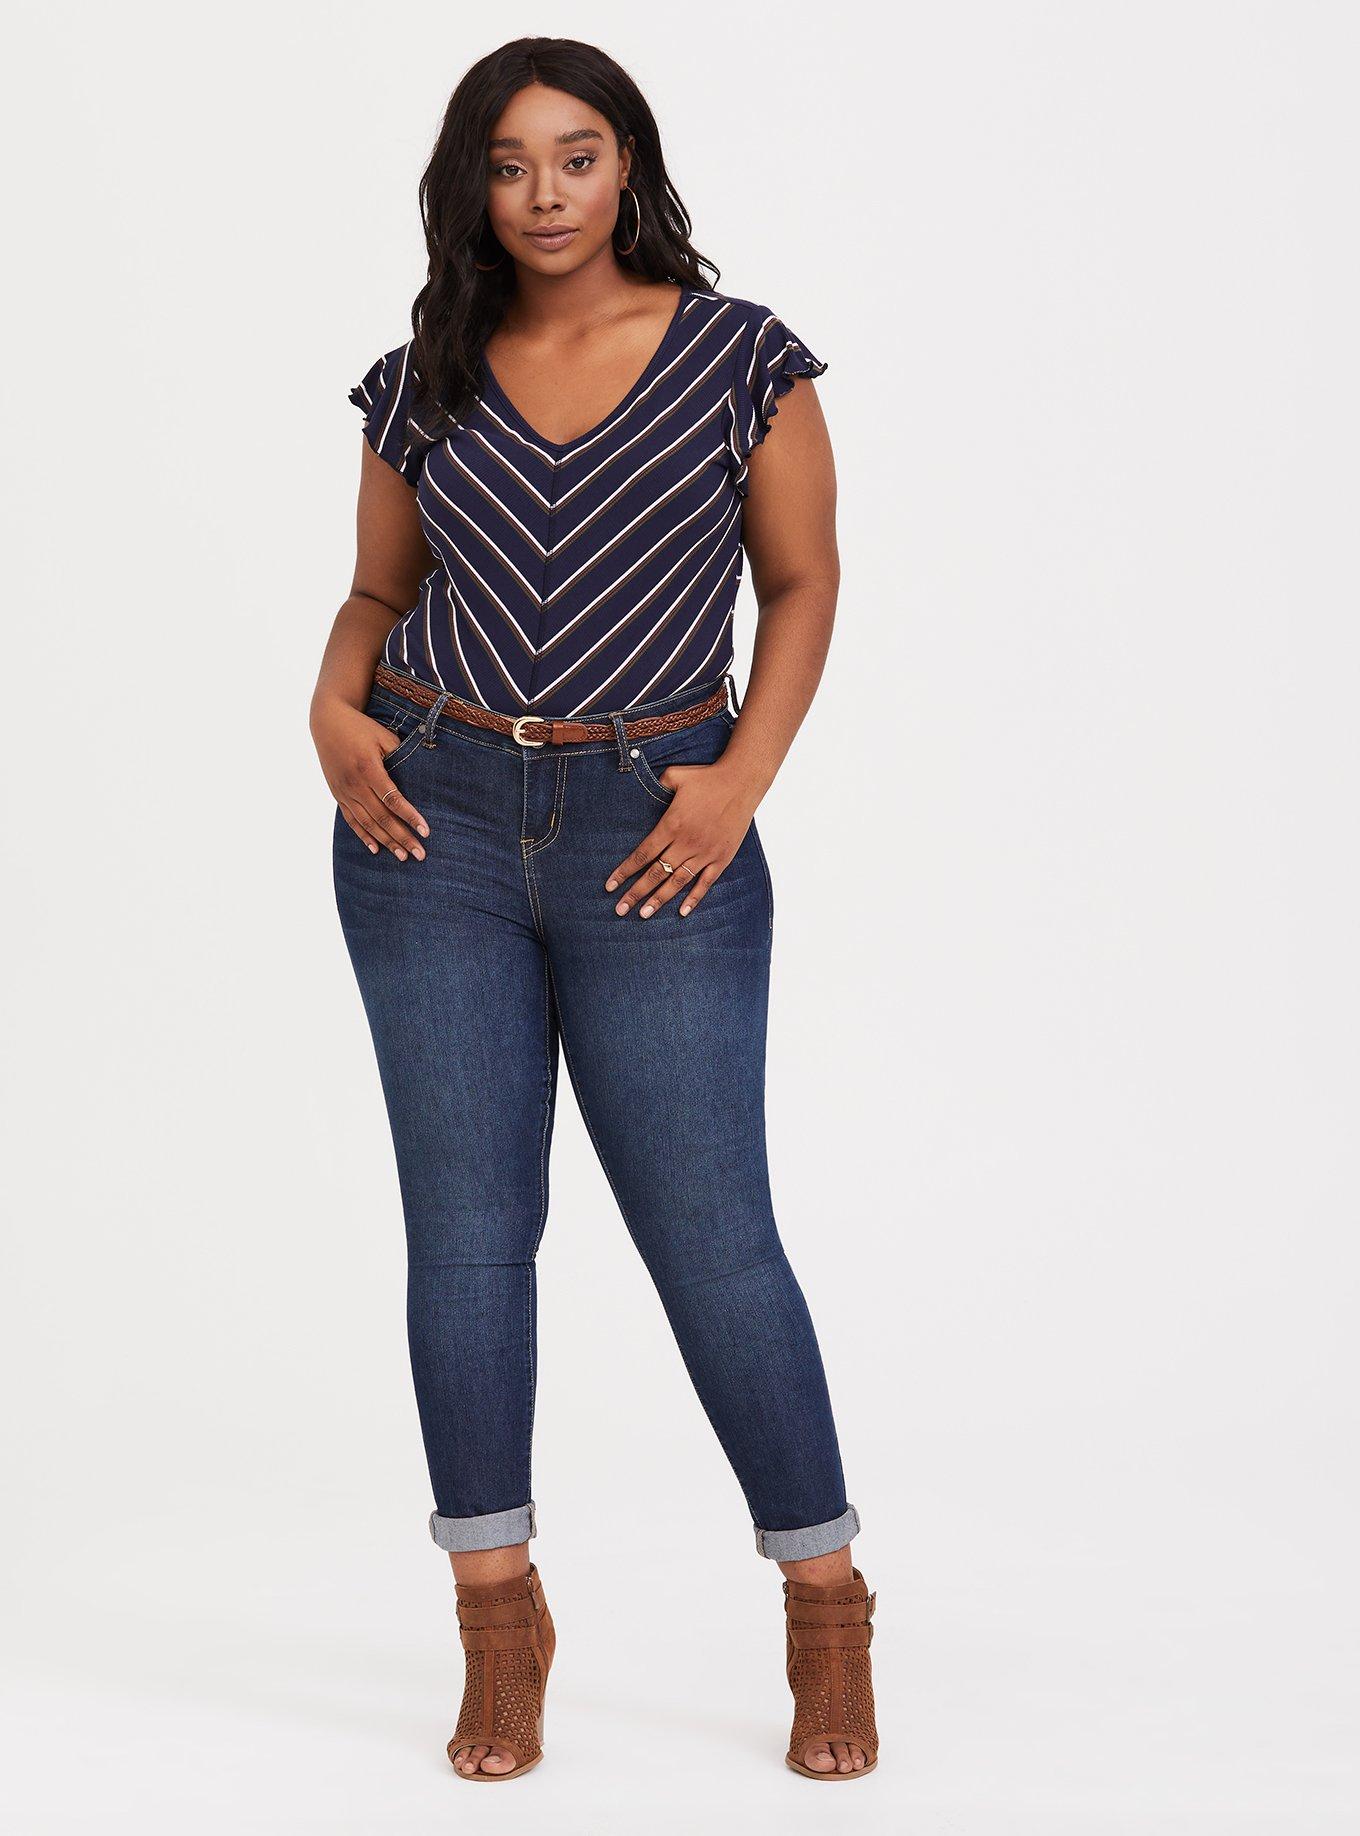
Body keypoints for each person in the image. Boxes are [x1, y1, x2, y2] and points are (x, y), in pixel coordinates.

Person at [311, 35, 879, 1784]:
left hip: (658, 829)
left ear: (628, 162)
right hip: (430, 819)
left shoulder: (739, 358)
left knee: (713, 1237)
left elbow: (802, 581)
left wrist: (737, 782)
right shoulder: (426, 371)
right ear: (469, 186)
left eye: (576, 155)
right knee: (469, 1236)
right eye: (508, 164)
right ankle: (498, 1619)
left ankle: (826, 1603)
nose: (543, 194)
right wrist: (332, 706)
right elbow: (375, 593)